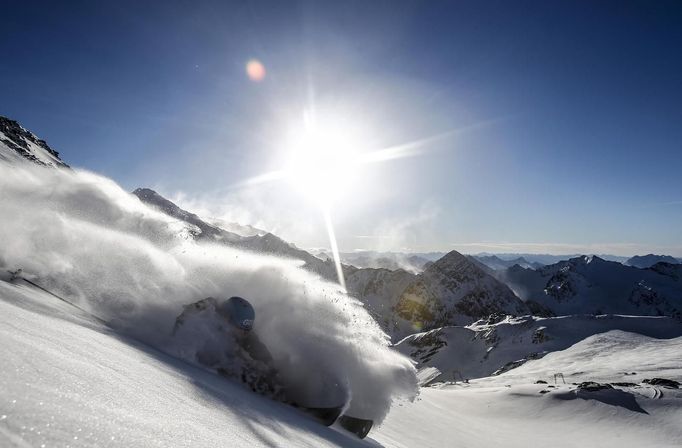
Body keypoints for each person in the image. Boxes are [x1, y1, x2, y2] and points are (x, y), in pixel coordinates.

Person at [172, 296, 281, 397]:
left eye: (246, 330)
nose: (244, 333)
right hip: (206, 371)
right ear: (227, 319)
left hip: (225, 362)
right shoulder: (205, 321)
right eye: (241, 329)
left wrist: (273, 370)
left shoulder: (243, 334)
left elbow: (258, 349)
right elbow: (182, 322)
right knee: (242, 369)